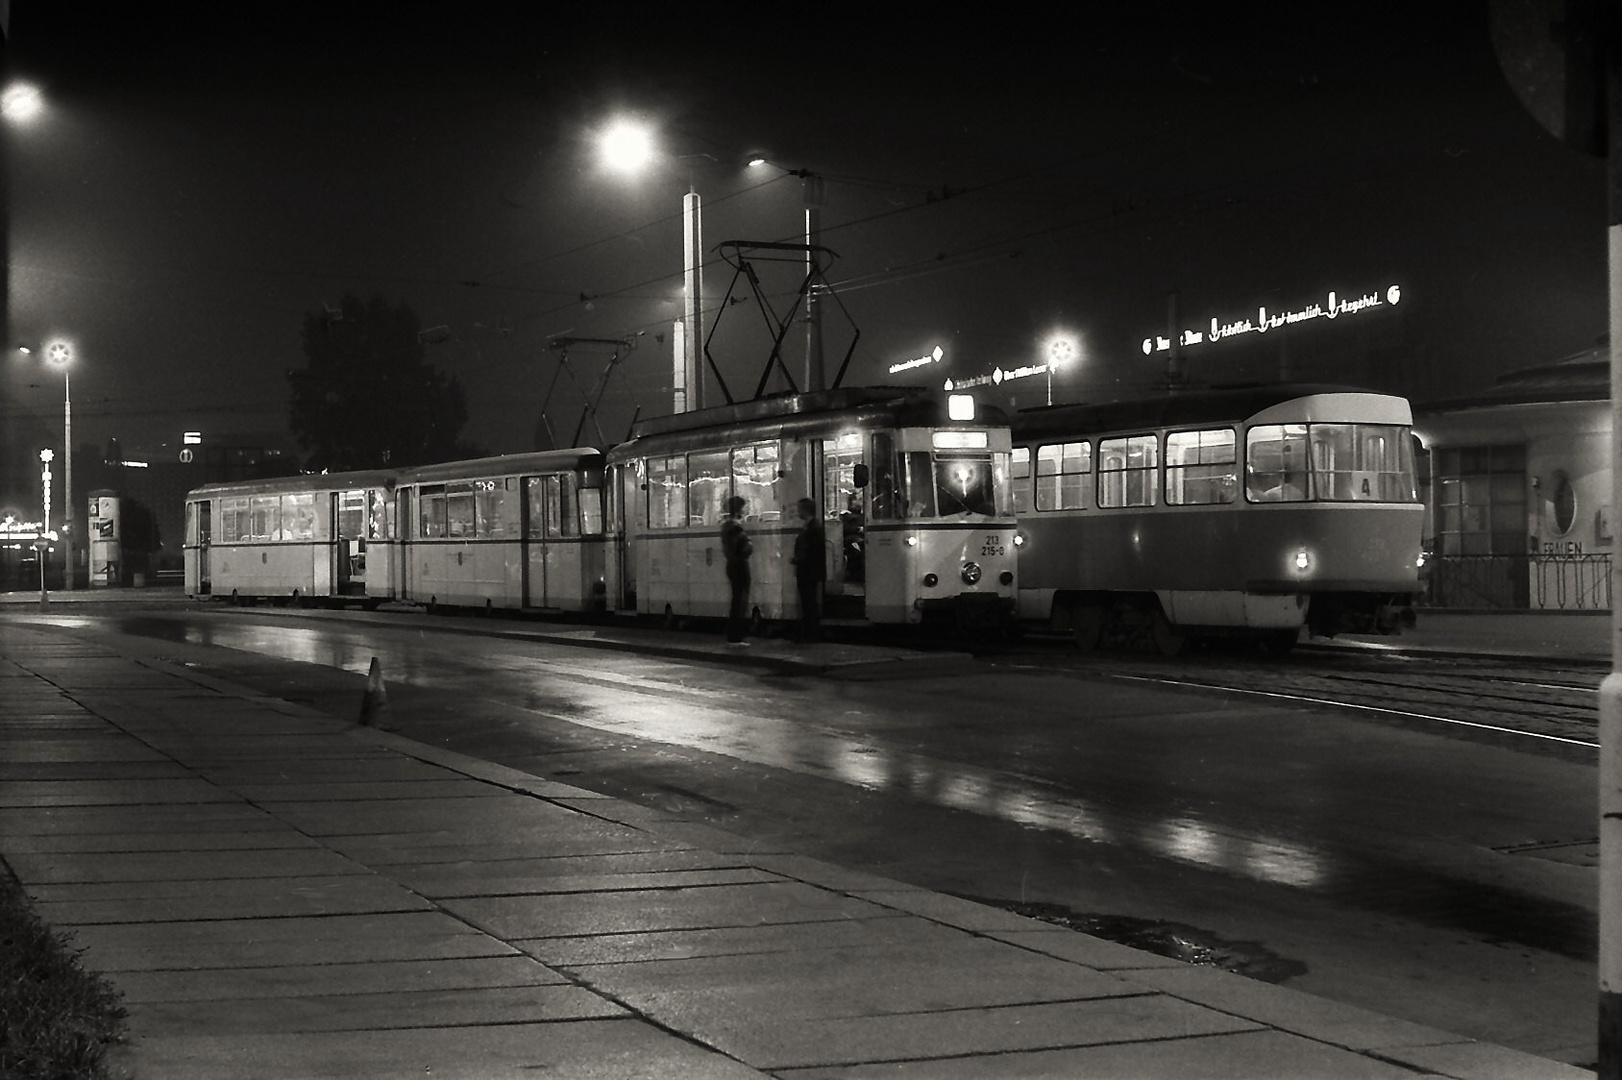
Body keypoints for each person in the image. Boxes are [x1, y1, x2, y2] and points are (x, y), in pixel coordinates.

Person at [791, 497, 825, 642]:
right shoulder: (811, 526)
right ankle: (809, 632)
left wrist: (798, 559)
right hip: (808, 570)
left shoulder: (812, 528)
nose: (798, 511)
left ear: (806, 510)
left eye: (800, 508)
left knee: (808, 602)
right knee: (808, 602)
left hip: (808, 571)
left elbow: (811, 550)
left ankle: (810, 634)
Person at [720, 495, 753, 643]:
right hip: (739, 565)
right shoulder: (735, 527)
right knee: (740, 600)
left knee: (736, 598)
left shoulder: (726, 526)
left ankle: (733, 634)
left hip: (732, 565)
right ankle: (736, 635)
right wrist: (749, 544)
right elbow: (746, 547)